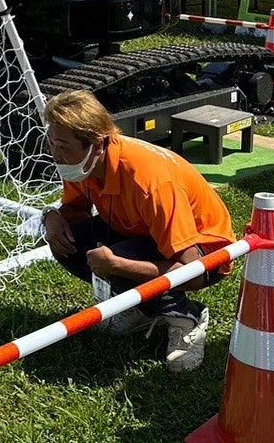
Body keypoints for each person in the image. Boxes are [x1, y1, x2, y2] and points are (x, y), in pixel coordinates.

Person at [41, 89, 231, 372]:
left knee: (116, 260)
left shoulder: (150, 183)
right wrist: (52, 217)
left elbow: (191, 271)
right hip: (141, 235)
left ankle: (186, 316)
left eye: (64, 147)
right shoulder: (85, 164)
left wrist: (118, 265)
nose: (56, 155)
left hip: (205, 255)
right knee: (69, 239)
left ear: (96, 145)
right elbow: (76, 210)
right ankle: (143, 308)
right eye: (53, 143)